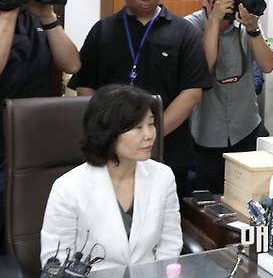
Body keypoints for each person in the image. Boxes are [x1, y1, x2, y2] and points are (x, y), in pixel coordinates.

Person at [68, 0, 212, 198]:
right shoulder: (104, 31)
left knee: (165, 217)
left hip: (169, 149)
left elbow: (191, 92)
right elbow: (86, 87)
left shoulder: (183, 31)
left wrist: (150, 135)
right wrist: (112, 135)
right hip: (112, 148)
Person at [40, 84, 182, 271]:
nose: (149, 135)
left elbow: (170, 244)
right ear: (108, 133)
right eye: (137, 127)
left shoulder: (163, 176)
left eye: (151, 123)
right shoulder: (68, 187)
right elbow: (55, 261)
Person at [0, 0, 80, 253]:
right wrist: (6, 14)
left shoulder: (34, 12)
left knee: (34, 225)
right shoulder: (8, 13)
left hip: (36, 136)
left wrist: (47, 17)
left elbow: (72, 63)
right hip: (1, 141)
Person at [185, 0, 273, 194]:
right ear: (204, 0)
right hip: (207, 135)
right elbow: (203, 69)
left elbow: (268, 65)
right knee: (210, 205)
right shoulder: (190, 27)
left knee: (254, 196)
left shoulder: (243, 25)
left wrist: (253, 28)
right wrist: (214, 22)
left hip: (247, 128)